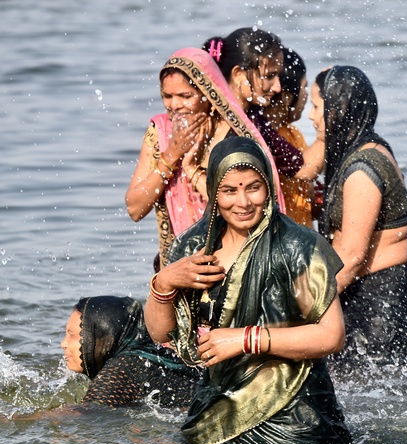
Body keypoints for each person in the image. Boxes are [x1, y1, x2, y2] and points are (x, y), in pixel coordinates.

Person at [143, 136, 351, 444]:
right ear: (213, 191)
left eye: (254, 188)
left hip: (295, 418)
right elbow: (161, 335)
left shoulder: (296, 247)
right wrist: (164, 283)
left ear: (269, 186)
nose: (243, 202)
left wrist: (245, 340)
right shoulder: (193, 247)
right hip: (217, 412)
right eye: (229, 191)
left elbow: (332, 335)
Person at [310, 65, 407, 367]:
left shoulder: (363, 169)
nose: (311, 117)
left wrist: (306, 311)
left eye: (317, 107)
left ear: (337, 110)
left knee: (367, 389)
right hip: (385, 295)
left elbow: (351, 255)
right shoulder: (370, 147)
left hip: (381, 302)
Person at [125, 47, 284, 271]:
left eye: (185, 96)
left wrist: (191, 170)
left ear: (208, 93)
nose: (175, 105)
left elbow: (244, 206)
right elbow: (135, 209)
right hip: (178, 262)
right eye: (167, 96)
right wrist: (171, 156)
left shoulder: (235, 135)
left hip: (233, 262)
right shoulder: (160, 133)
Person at [202, 29, 313, 223]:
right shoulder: (215, 126)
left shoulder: (255, 121)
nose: (278, 87)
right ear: (238, 75)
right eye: (269, 76)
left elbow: (302, 168)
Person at [61, 296, 199, 408]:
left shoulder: (123, 367)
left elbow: (87, 414)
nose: (63, 344)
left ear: (107, 339)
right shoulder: (148, 358)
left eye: (72, 335)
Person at [260, 46, 325, 227]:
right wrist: (331, 113)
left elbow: (308, 202)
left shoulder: (293, 134)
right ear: (287, 97)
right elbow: (307, 170)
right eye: (304, 87)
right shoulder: (265, 138)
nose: (306, 96)